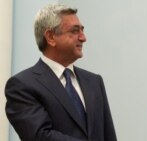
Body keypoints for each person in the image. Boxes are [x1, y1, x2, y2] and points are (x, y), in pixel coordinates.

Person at [5, 3, 117, 141]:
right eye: (75, 31)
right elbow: (40, 137)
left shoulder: (94, 81)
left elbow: (108, 135)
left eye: (82, 30)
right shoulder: (22, 85)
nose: (83, 38)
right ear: (51, 37)